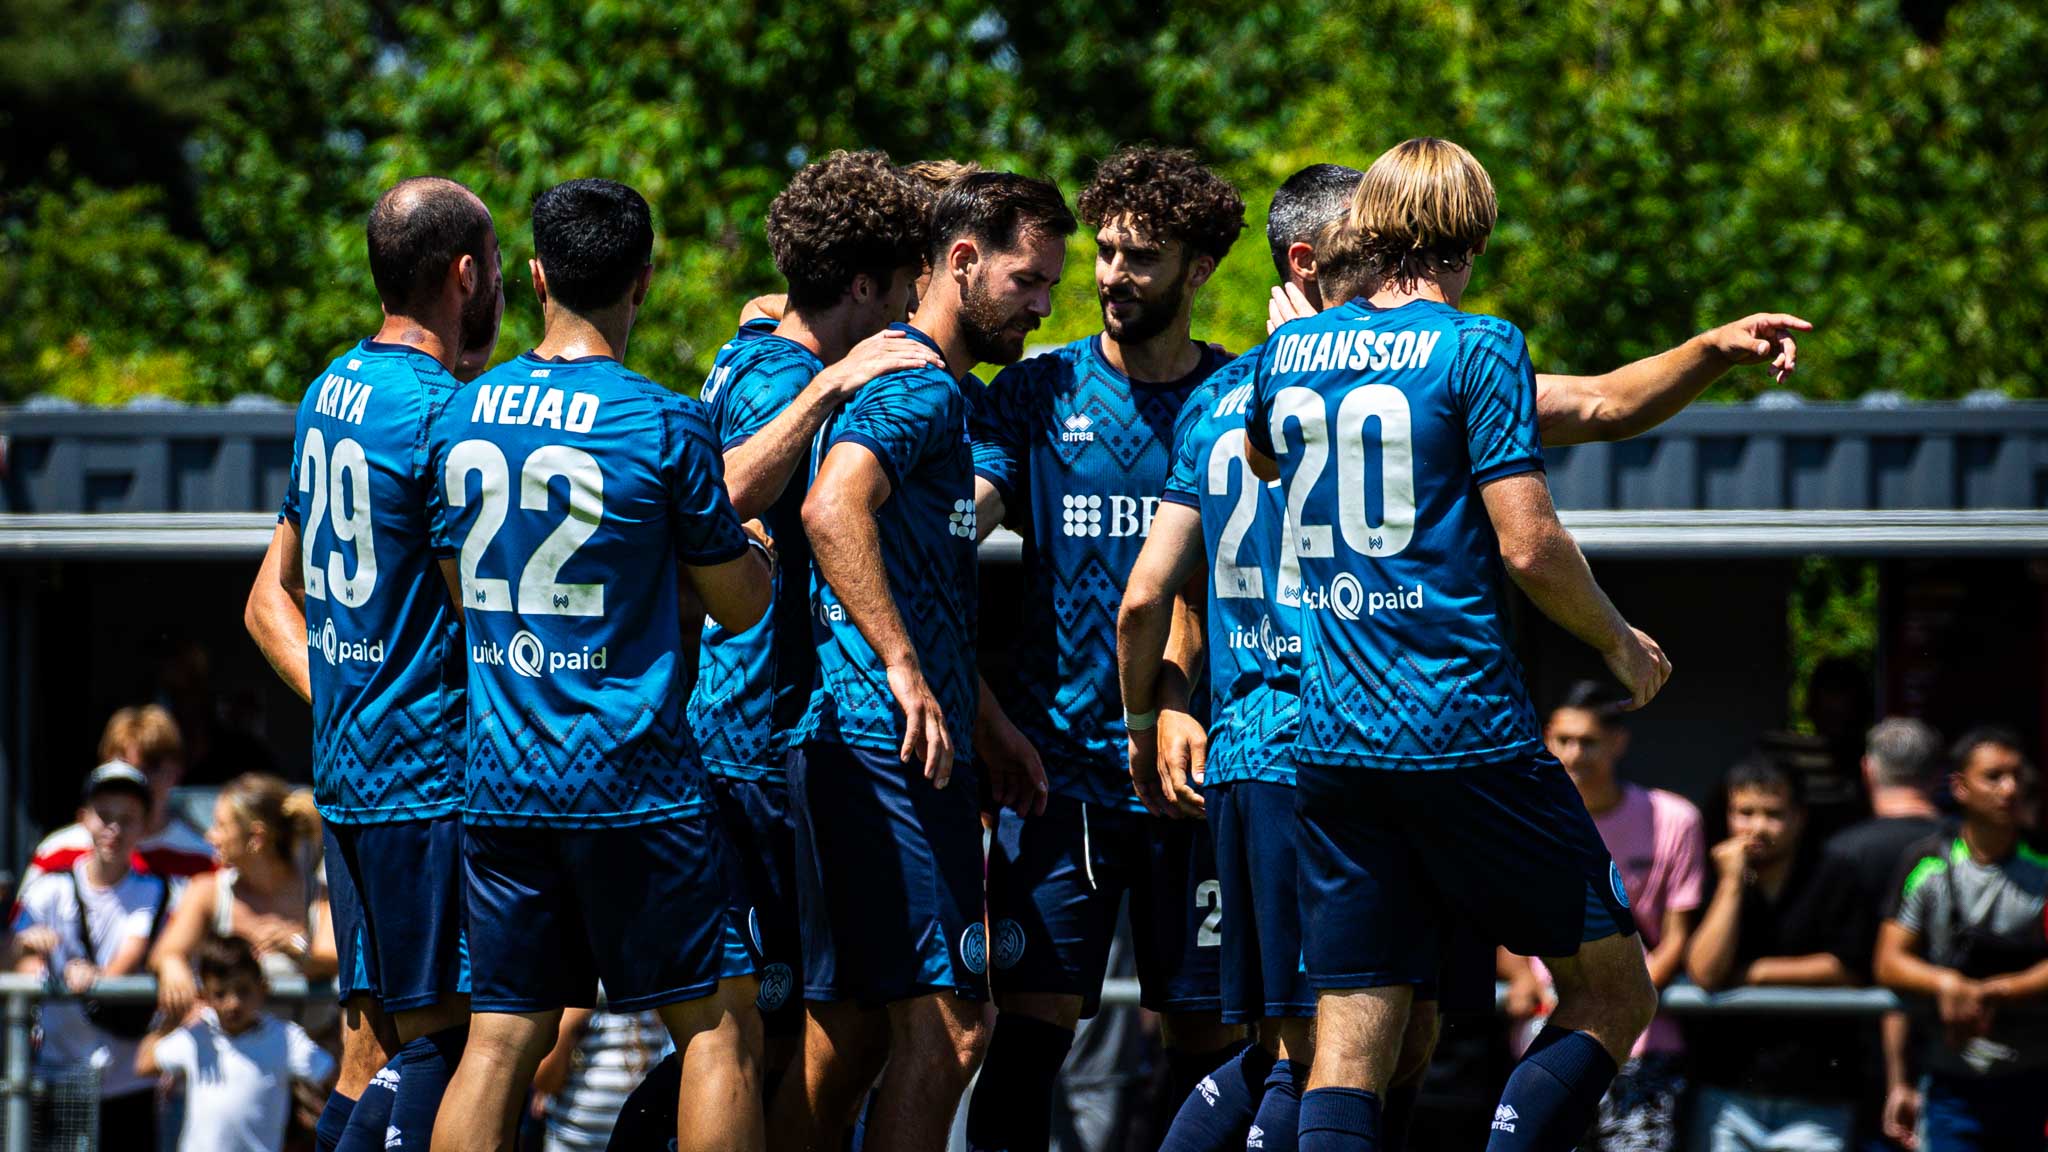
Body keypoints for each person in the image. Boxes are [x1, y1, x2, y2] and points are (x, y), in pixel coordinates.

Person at [1239, 137, 1670, 1152]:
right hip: (1460, 726)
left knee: (1350, 1041)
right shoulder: (1479, 347)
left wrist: (1305, 354)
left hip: (1331, 738)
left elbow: (1260, 455)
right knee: (1614, 993)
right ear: (1470, 241)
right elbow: (1528, 544)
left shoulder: (1285, 352)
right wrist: (1617, 641)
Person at [425, 177, 773, 1152]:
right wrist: (754, 551)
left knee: (500, 1041)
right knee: (718, 1028)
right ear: (644, 280)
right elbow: (740, 605)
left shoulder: (460, 417)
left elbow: (464, 592)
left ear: (536, 277)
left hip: (503, 778)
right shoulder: (663, 422)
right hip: (635, 781)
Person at [783, 170, 1074, 1152]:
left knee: (855, 1037)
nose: (1042, 308)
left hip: (882, 741)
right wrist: (904, 669)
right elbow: (831, 508)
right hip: (882, 745)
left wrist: (986, 720)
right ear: (961, 261)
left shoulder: (930, 386)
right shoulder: (918, 386)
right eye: (1027, 280)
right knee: (953, 1029)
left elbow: (921, 593)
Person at [966, 146, 1247, 1152]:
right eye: (1107, 252)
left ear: (1198, 269)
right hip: (1063, 776)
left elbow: (1219, 579)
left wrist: (1175, 695)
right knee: (1027, 1038)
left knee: (1211, 1044)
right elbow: (958, 525)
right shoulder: (1036, 392)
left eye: (1142, 258)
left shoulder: (1237, 396)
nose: (1114, 275)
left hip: (1197, 774)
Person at [247, 174, 505, 1152]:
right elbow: (485, 612)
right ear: (467, 274)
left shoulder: (332, 390)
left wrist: (346, 696)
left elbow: (267, 599)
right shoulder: (446, 416)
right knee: (461, 1044)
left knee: (371, 1054)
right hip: (428, 780)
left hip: (353, 777)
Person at [689, 150, 939, 1088]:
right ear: (863, 286)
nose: (909, 312)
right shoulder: (782, 377)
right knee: (754, 1045)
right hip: (748, 743)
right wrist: (828, 388)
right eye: (903, 289)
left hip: (755, 737)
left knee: (802, 1033)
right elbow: (720, 498)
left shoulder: (757, 346)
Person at [1499, 684, 1705, 1152]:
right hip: (1544, 1041)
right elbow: (1502, 923)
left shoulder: (1675, 819)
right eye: (1563, 740)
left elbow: (1677, 938)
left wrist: (1624, 996)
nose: (1574, 754)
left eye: (1588, 741)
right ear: (1546, 738)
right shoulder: (1522, 820)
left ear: (1617, 742)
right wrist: (1519, 976)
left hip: (1642, 1050)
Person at [1875, 727, 2048, 1152]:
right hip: (1949, 1086)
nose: (2009, 789)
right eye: (1994, 776)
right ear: (1960, 787)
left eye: (2016, 776)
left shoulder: (2042, 864)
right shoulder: (1927, 864)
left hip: (2034, 1082)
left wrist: (1998, 991)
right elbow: (1889, 961)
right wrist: (1946, 984)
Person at [1685, 757, 1859, 1152]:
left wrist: (1754, 973)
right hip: (1727, 1091)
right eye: (1745, 813)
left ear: (1799, 817)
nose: (1757, 827)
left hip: (1818, 1095)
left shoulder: (1835, 873)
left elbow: (1846, 966)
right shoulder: (1713, 876)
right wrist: (1731, 882)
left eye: (1773, 814)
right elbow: (1705, 971)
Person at [10, 762, 174, 1149]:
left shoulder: (156, 891)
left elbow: (133, 954)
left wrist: (95, 978)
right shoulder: (47, 889)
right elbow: (12, 957)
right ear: (84, 818)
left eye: (127, 819)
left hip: (127, 1080)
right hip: (58, 1074)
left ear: (144, 825)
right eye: (104, 816)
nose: (113, 829)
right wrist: (24, 946)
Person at [1808, 717, 1946, 1148]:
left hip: (1852, 1065)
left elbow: (1828, 956)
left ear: (1868, 770)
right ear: (1939, 776)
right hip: (1959, 1050)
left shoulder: (1842, 851)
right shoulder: (1965, 849)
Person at [150, 774, 338, 1020]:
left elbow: (332, 960)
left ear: (256, 838)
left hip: (306, 1040)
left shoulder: (320, 895)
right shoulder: (207, 891)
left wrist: (296, 948)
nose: (210, 836)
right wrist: (172, 965)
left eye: (221, 826)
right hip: (229, 1042)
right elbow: (166, 952)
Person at [139, 934, 339, 1152]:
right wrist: (173, 1015)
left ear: (262, 988)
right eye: (220, 993)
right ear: (205, 996)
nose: (233, 1003)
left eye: (243, 990)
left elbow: (334, 1076)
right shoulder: (199, 1036)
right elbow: (144, 1064)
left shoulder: (286, 1039)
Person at [24, 705, 215, 888]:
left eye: (152, 765)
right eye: (124, 765)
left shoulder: (202, 860)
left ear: (177, 771)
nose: (137, 778)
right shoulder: (58, 853)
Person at [528, 1006, 667, 1151]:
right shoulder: (579, 1006)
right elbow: (544, 1084)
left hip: (641, 1141)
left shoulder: (653, 1007)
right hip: (571, 1141)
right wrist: (567, 1025)